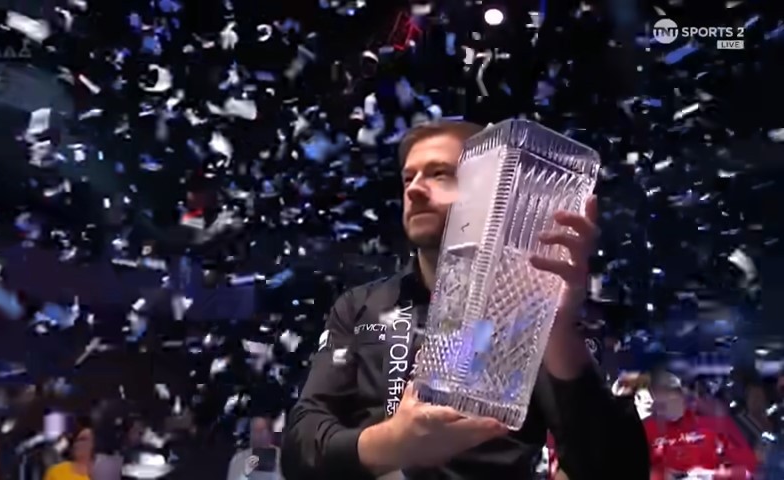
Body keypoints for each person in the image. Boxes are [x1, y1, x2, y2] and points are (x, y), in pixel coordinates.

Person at [282, 120, 650, 479]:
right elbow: (300, 448)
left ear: (493, 189)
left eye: (440, 174)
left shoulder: (526, 310)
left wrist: (555, 325)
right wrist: (393, 443)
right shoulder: (359, 305)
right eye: (408, 178)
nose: (414, 190)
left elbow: (618, 468)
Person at [644, 372, 756, 480]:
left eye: (670, 395)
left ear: (683, 393)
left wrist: (711, 475)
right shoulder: (647, 428)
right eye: (659, 402)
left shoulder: (712, 422)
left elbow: (748, 468)